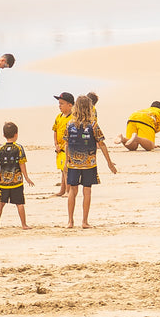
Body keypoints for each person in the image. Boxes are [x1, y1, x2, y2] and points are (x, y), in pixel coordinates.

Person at [64, 95, 117, 228]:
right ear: (89, 108)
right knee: (87, 191)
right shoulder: (93, 125)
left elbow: (66, 144)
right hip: (89, 164)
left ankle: (70, 221)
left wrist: (66, 162)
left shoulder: (69, 124)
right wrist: (109, 163)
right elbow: (102, 144)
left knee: (72, 191)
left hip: (73, 163)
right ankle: (84, 221)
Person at [0, 122, 33, 229]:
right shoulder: (19, 148)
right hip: (17, 182)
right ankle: (24, 224)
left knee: (0, 203)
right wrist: (27, 177)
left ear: (4, 135)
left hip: (3, 182)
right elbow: (22, 164)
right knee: (19, 204)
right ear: (16, 134)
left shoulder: (0, 149)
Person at [51, 91, 75, 196]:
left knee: (67, 170)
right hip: (59, 148)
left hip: (68, 148)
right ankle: (62, 189)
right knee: (62, 169)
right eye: (59, 103)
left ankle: (68, 191)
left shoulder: (73, 118)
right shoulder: (59, 117)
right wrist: (56, 143)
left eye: (62, 103)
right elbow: (55, 130)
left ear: (70, 105)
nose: (59, 106)